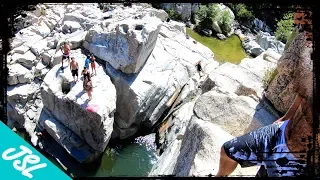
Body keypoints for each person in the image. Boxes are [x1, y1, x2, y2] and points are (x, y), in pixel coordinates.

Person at [215, 24, 315, 177]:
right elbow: (303, 92)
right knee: (228, 151)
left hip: (301, 161)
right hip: (281, 134)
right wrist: (286, 117)